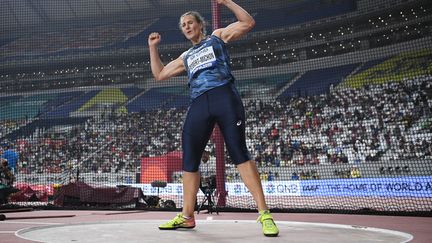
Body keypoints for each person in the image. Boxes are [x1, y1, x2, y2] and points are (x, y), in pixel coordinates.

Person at [148, 0, 279, 237]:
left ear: (200, 25)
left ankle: (265, 214)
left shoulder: (217, 37)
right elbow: (159, 74)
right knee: (189, 158)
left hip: (224, 97)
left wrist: (227, 1)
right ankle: (187, 217)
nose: (187, 27)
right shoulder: (186, 55)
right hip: (199, 104)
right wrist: (153, 47)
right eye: (183, 25)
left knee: (239, 152)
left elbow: (248, 23)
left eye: (190, 23)